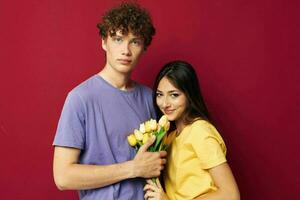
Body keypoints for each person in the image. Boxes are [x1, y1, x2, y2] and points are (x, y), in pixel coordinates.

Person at [52, 3, 167, 200]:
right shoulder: (80, 98)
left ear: (144, 48)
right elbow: (63, 177)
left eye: (135, 42)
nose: (126, 50)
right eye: (118, 39)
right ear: (104, 42)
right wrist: (133, 168)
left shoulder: (151, 98)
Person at [144, 61, 240, 200]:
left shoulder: (200, 131)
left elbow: (231, 195)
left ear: (189, 95)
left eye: (174, 95)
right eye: (160, 94)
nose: (165, 104)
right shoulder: (169, 138)